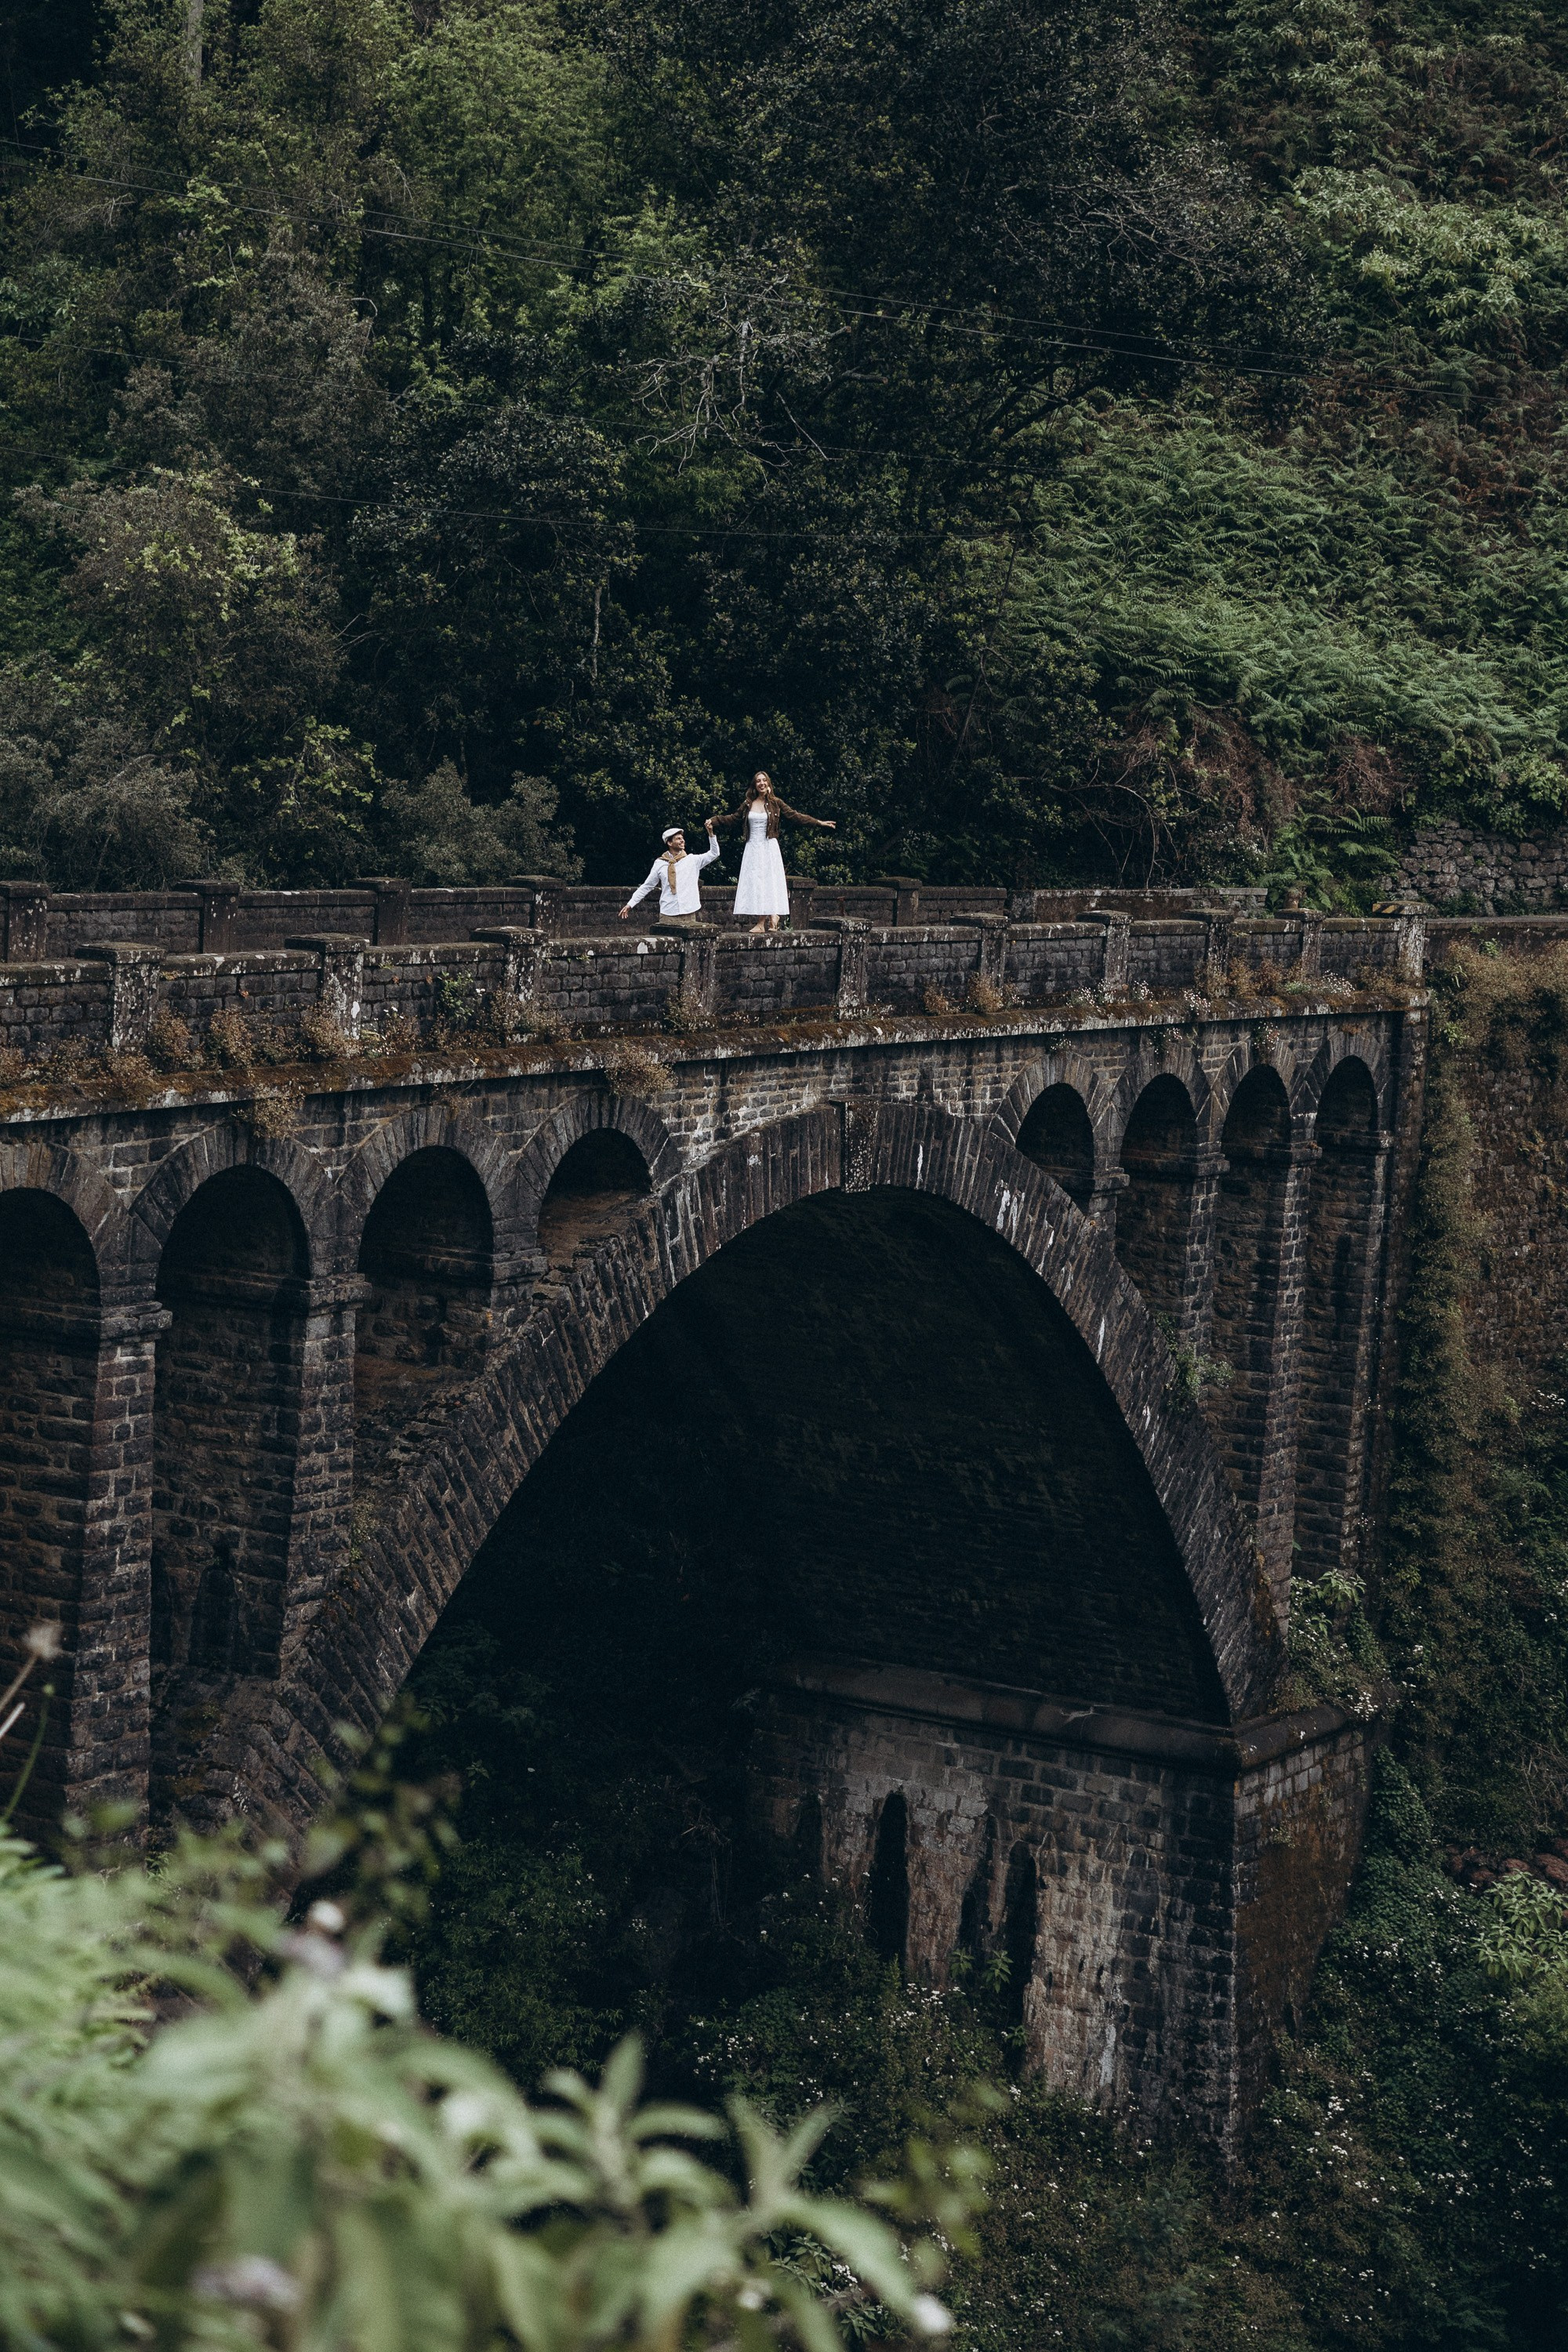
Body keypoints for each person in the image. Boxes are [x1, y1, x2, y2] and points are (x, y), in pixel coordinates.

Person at [709, 771, 836, 933]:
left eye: (764, 780)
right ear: (755, 785)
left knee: (767, 882)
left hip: (768, 846)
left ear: (768, 783)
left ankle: (762, 923)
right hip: (753, 847)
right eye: (758, 781)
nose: (761, 783)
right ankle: (772, 916)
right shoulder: (748, 804)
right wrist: (714, 820)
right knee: (757, 883)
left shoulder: (776, 803)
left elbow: (795, 816)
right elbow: (733, 818)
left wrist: (819, 822)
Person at [620, 821, 721, 928]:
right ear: (669, 843)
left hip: (689, 911)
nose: (682, 840)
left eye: (682, 838)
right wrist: (630, 904)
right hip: (668, 912)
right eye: (678, 839)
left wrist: (711, 833)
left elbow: (714, 853)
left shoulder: (692, 860)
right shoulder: (660, 863)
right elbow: (647, 886)